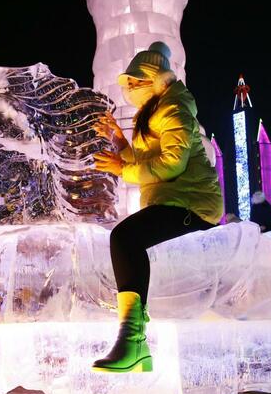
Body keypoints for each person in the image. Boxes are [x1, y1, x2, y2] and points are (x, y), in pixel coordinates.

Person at [91, 41, 223, 373]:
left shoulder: (173, 109)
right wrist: (121, 143)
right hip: (172, 201)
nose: (130, 89)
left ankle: (133, 341)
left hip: (192, 204)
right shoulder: (155, 110)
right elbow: (147, 158)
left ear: (156, 80)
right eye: (129, 83)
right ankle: (135, 347)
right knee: (126, 237)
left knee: (125, 237)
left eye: (136, 82)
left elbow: (171, 165)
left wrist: (121, 169)